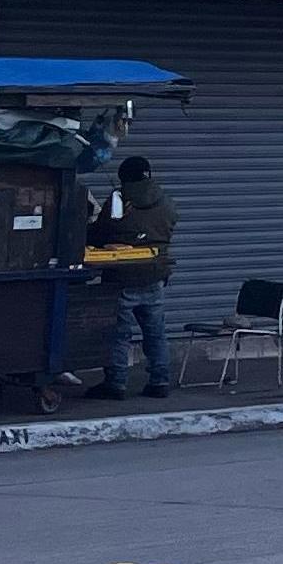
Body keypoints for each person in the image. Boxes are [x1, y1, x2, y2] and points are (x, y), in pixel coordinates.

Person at [85, 152, 176, 401]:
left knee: (118, 334)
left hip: (122, 276)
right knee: (156, 332)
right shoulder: (165, 199)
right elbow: (169, 225)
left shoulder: (119, 199)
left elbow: (103, 231)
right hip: (154, 273)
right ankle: (160, 380)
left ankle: (116, 383)